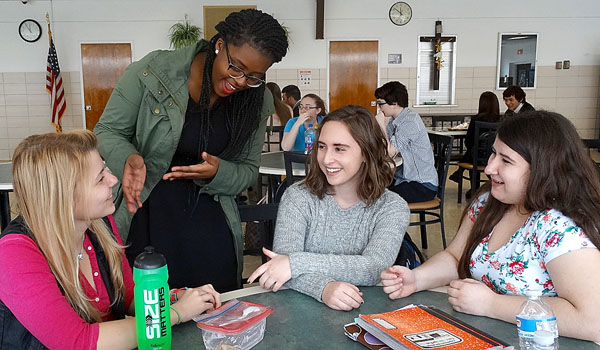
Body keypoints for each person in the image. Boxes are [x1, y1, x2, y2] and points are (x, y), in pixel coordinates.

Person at [94, 9, 288, 292]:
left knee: (214, 304)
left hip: (211, 218)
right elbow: (107, 131)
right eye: (236, 67)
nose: (241, 82)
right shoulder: (154, 72)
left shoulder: (257, 102)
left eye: (254, 76)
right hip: (147, 210)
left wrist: (218, 171)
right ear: (220, 44)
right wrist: (130, 159)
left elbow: (247, 170)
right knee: (152, 303)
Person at [381, 111, 600, 342]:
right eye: (494, 153)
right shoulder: (490, 202)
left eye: (506, 161)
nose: (489, 168)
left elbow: (591, 320)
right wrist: (417, 279)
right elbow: (456, 257)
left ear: (544, 168)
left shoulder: (561, 227)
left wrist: (491, 305)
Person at [0, 131, 221, 349]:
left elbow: (129, 297)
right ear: (63, 195)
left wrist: (175, 297)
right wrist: (175, 313)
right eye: (100, 178)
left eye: (105, 168)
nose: (113, 179)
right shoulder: (14, 254)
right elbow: (78, 342)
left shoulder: (99, 224)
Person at [248, 105, 409, 311]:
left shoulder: (392, 207)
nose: (326, 159)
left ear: (367, 153)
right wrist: (323, 288)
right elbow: (280, 270)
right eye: (322, 146)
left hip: (367, 311)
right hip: (299, 311)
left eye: (339, 148)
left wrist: (295, 264)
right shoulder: (298, 196)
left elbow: (374, 268)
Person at [374, 81, 438, 203]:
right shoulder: (395, 120)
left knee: (381, 199)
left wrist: (381, 125)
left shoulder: (410, 121)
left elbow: (389, 152)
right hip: (405, 178)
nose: (379, 108)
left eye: (381, 104)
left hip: (422, 185)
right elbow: (384, 147)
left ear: (394, 103)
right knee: (373, 188)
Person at [449, 91, 502, 186]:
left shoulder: (476, 119)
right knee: (474, 152)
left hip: (477, 158)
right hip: (495, 157)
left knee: (473, 152)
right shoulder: (502, 120)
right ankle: (459, 173)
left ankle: (474, 187)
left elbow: (468, 141)